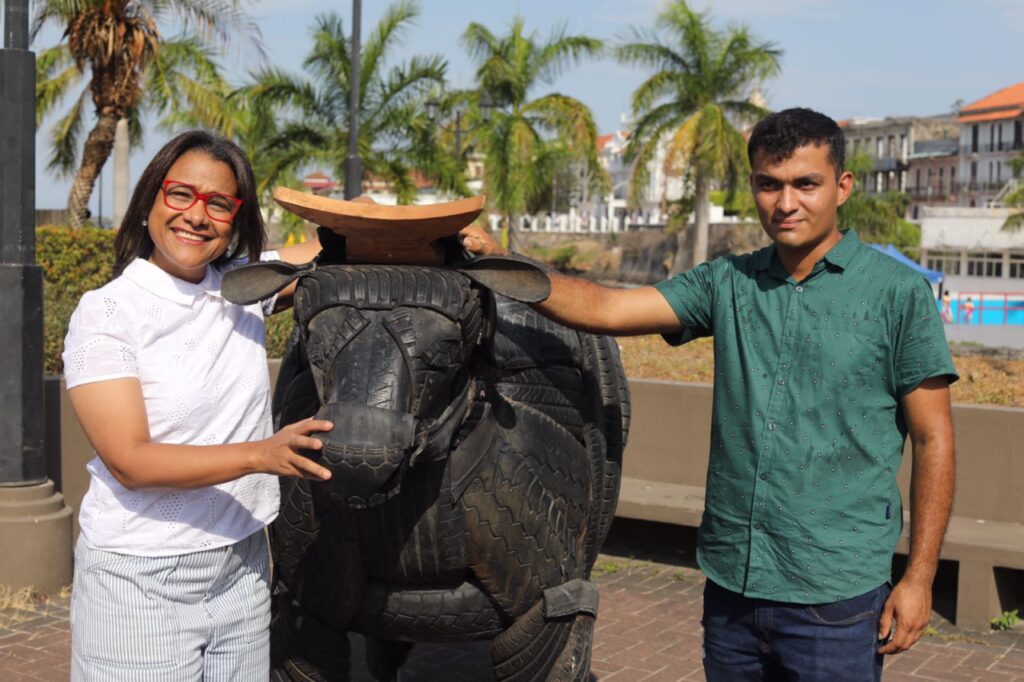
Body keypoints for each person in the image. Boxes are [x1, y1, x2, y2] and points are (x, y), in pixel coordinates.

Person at [462, 108, 957, 681]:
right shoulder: (727, 282)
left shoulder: (897, 294)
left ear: (842, 187)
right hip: (732, 584)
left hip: (837, 594)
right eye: (769, 185)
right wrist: (505, 262)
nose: (786, 203)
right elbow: (608, 308)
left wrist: (919, 578)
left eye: (806, 184)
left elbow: (934, 436)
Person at [62, 130, 335, 681]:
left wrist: (438, 233)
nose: (196, 215)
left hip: (241, 567)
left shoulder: (244, 286)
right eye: (180, 194)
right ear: (150, 201)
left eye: (218, 203)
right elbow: (130, 461)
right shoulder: (108, 312)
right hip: (139, 578)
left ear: (236, 220)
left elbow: (338, 247)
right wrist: (262, 455)